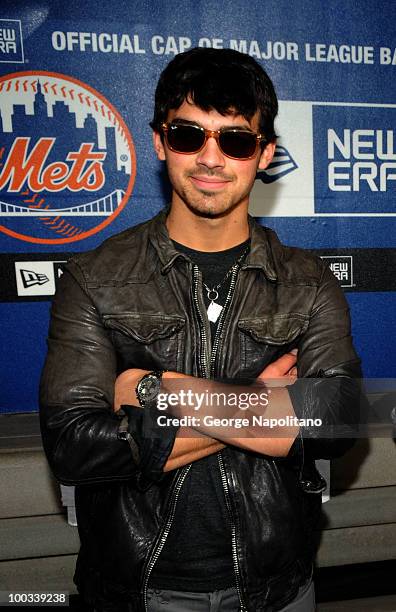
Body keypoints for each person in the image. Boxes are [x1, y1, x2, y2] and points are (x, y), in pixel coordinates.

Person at [40, 48, 362, 612]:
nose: (211, 158)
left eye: (235, 140)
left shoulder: (307, 281)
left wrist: (159, 392)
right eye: (190, 135)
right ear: (161, 141)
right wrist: (261, 406)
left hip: (278, 588)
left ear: (264, 155)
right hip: (137, 590)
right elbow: (74, 446)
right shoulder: (94, 279)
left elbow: (337, 418)